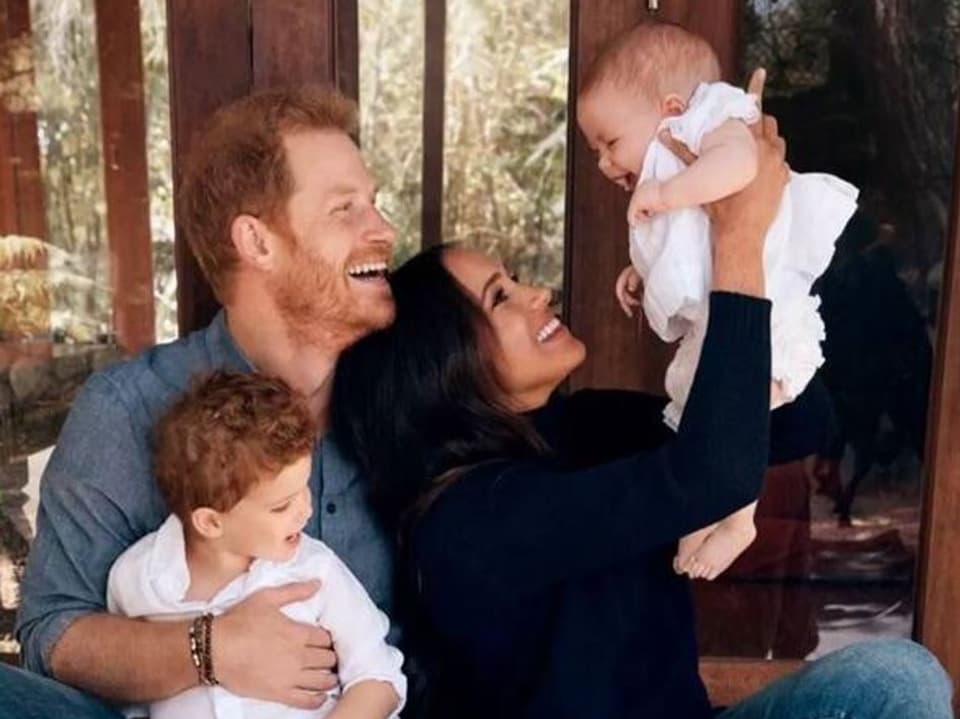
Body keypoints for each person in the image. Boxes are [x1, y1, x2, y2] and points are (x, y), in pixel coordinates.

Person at [331, 74, 953, 718]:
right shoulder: (467, 522)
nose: (536, 294)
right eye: (501, 298)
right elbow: (711, 476)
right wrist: (734, 238)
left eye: (515, 279)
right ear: (444, 368)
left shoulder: (585, 425)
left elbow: (802, 423)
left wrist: (737, 253)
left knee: (895, 680)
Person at [2, 85, 397, 717]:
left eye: (374, 204)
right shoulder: (127, 409)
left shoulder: (400, 399)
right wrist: (208, 649)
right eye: (345, 208)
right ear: (257, 243)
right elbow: (50, 637)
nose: (383, 229)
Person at [576, 22, 859, 580]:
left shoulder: (716, 121)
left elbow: (740, 168)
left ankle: (738, 518)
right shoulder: (676, 161)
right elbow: (691, 241)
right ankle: (707, 509)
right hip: (725, 310)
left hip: (767, 306)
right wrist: (641, 270)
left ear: (672, 108)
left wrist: (664, 192)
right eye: (595, 153)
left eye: (610, 143)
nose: (606, 165)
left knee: (737, 408)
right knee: (697, 404)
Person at [107, 371, 406, 719]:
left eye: (304, 488)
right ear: (210, 522)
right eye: (281, 506)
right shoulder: (137, 581)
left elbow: (379, 678)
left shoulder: (313, 571)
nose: (306, 510)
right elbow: (126, 694)